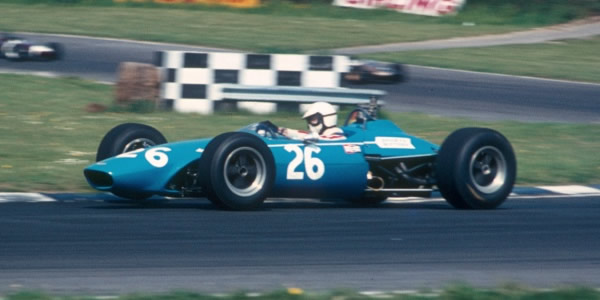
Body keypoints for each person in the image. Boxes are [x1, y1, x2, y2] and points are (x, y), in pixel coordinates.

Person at [259, 102, 346, 141]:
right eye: (309, 120)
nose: (310, 124)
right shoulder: (319, 136)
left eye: (313, 119)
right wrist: (279, 130)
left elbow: (329, 139)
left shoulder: (336, 134)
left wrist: (311, 137)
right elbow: (303, 134)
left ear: (326, 118)